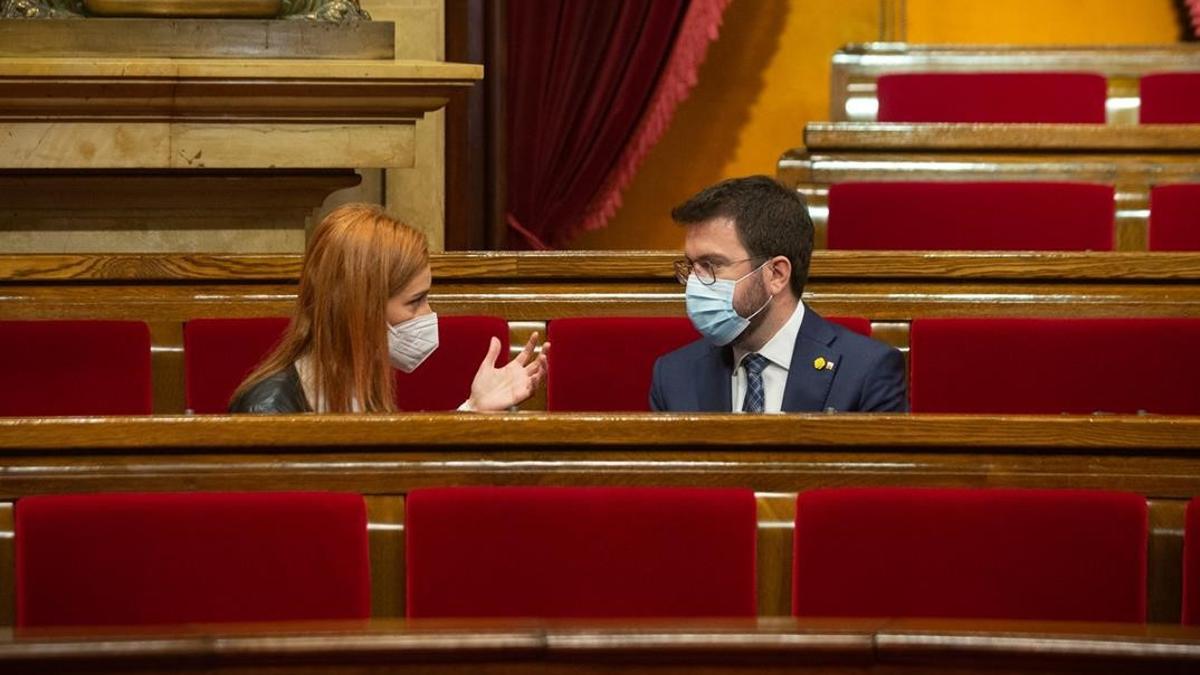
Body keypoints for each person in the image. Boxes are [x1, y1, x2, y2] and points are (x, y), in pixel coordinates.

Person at [230, 203, 548, 413]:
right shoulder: (269, 408)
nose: (428, 316)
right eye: (414, 302)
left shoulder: (358, 379)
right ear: (360, 309)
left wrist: (475, 408)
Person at [649, 176, 907, 413]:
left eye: (711, 265)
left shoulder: (866, 370)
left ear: (776, 274)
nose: (695, 282)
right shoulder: (673, 375)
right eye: (691, 267)